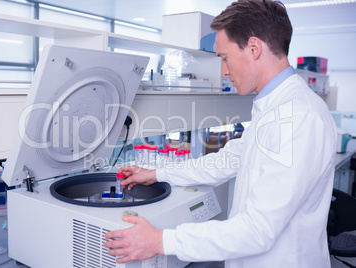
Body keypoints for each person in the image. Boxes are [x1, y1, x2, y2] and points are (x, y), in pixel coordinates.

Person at [104, 0, 337, 267]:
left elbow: (258, 230)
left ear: (254, 48)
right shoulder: (275, 107)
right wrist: (155, 174)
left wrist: (160, 241)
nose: (224, 71)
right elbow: (226, 161)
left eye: (225, 58)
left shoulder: (298, 116)